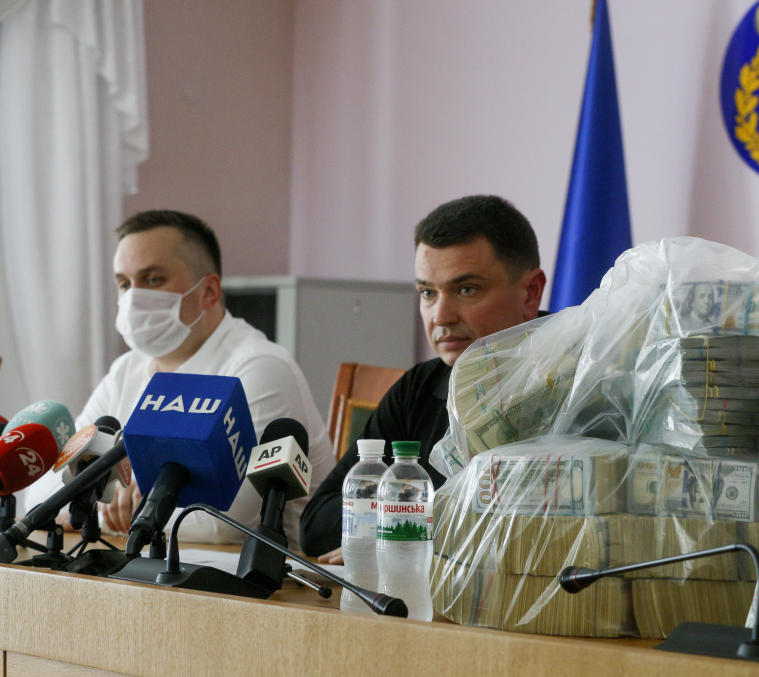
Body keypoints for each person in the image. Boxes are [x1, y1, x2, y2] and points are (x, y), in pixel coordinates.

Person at [299, 194, 546, 559]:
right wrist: (409, 524)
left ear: (530, 293)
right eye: (428, 293)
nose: (440, 316)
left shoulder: (576, 381)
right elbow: (318, 525)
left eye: (466, 289)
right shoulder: (418, 388)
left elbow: (549, 529)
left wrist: (402, 526)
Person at [76, 210, 335, 549]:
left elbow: (224, 523)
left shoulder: (260, 368)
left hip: (267, 589)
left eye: (153, 280)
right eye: (124, 284)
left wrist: (99, 509)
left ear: (209, 291)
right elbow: (51, 487)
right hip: (156, 570)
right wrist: (106, 508)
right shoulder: (127, 369)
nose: (133, 299)